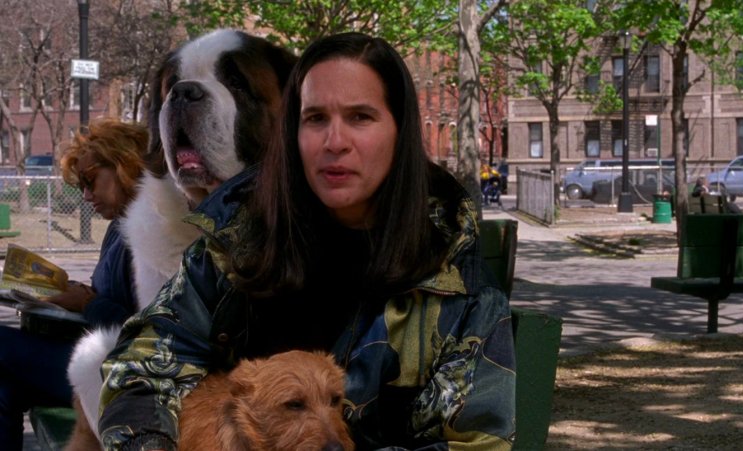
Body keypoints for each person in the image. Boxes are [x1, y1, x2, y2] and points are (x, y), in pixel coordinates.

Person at [99, 32, 516, 450]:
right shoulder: (236, 240)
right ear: (291, 132)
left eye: (360, 117)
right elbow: (141, 369)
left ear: (399, 130)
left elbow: (475, 444)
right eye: (315, 118)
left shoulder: (458, 287)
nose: (335, 142)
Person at [0, 118, 144, 449]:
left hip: (120, 375)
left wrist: (88, 303)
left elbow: (146, 333)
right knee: (4, 387)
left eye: (91, 181)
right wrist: (70, 296)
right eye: (81, 185)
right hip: (94, 359)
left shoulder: (150, 234)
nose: (86, 195)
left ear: (125, 165)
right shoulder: (117, 227)